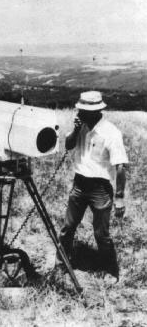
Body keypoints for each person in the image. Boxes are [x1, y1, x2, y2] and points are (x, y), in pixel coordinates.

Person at [58, 91, 128, 280]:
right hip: (80, 183)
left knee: (101, 233)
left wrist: (120, 197)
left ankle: (111, 270)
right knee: (68, 227)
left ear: (96, 111)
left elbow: (120, 165)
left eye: (84, 110)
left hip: (100, 188)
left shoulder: (111, 132)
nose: (80, 113)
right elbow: (69, 145)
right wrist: (75, 130)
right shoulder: (80, 127)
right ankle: (62, 261)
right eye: (80, 109)